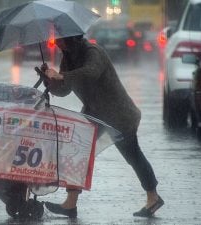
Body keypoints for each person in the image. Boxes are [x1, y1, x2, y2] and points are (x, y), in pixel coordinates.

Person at [42, 35, 164, 218]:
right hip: (96, 113)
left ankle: (153, 197)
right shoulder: (68, 57)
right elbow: (64, 89)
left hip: (119, 115)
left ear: (71, 38)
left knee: (133, 155)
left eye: (60, 39)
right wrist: (49, 80)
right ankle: (70, 203)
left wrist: (62, 75)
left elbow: (92, 71)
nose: (57, 43)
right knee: (76, 150)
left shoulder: (93, 51)